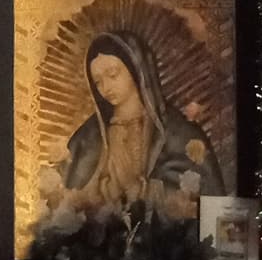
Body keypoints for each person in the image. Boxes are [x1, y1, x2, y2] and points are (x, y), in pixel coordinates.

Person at [53, 30, 224, 221]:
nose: (106, 87)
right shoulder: (87, 138)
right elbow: (67, 200)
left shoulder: (179, 133)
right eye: (98, 82)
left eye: (113, 74)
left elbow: (204, 201)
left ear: (135, 69)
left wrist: (141, 191)